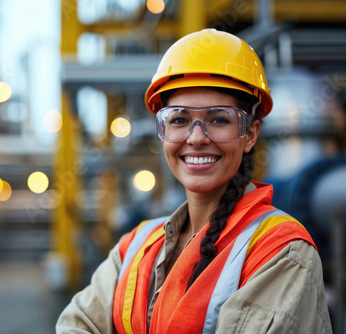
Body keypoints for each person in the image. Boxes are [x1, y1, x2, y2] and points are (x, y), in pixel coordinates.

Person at [56, 29, 332, 334]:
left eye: (219, 119)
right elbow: (75, 325)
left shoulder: (280, 251)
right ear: (163, 132)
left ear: (250, 134)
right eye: (179, 120)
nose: (197, 137)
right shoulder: (135, 247)